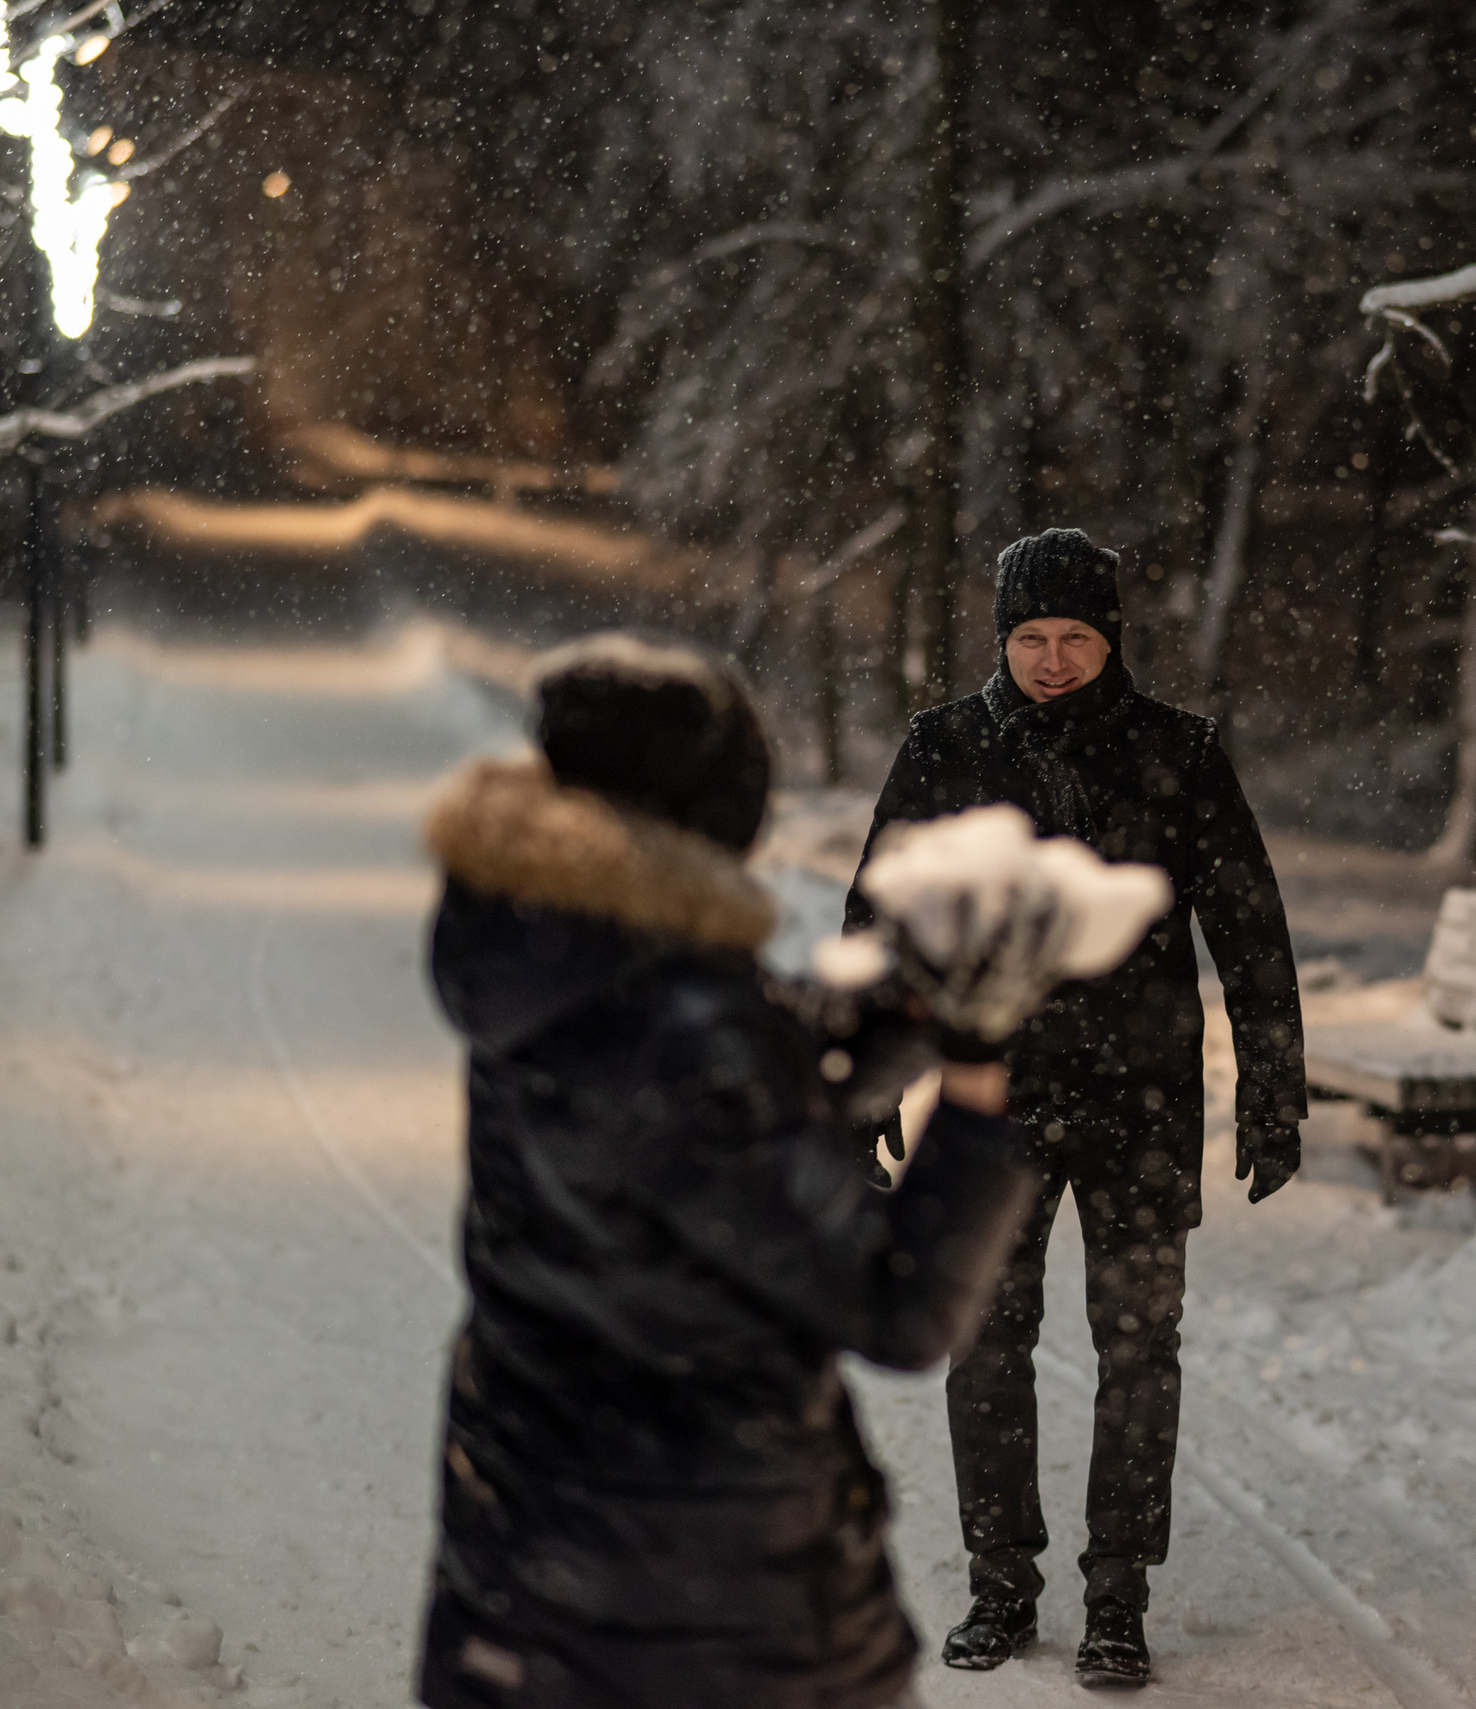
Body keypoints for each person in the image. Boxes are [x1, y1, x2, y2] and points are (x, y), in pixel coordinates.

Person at [414, 631, 1056, 1709]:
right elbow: (898, 1305)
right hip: (708, 1610)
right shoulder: (681, 1028)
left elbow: (725, 1090)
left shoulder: (548, 946)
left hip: (530, 1562)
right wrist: (979, 1077)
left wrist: (900, 1008)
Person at [844, 528, 1307, 1690]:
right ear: (1002, 638)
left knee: (1139, 1345)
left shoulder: (1178, 753)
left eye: (1076, 637)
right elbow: (882, 921)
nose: (1053, 659)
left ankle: (1118, 1596)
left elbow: (1249, 929)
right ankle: (1000, 1581)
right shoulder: (946, 746)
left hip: (1142, 1103)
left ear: (1113, 639)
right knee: (984, 1340)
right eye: (1032, 637)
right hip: (990, 1100)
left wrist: (1273, 1090)